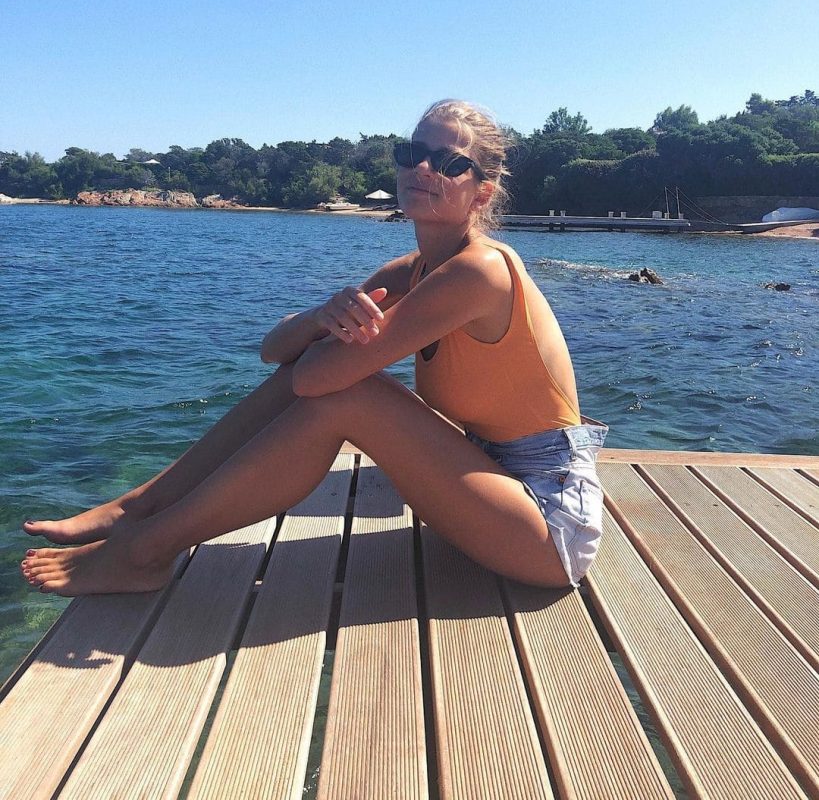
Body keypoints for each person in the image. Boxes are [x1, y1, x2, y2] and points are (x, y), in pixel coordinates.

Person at [21, 99, 605, 596]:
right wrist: (321, 314)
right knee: (327, 373)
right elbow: (278, 355)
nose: (422, 167)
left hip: (550, 523)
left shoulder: (480, 272)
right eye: (412, 153)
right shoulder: (415, 269)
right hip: (489, 480)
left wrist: (326, 343)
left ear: (482, 193)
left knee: (347, 394)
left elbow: (315, 382)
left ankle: (145, 551)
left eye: (449, 162)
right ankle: (139, 508)